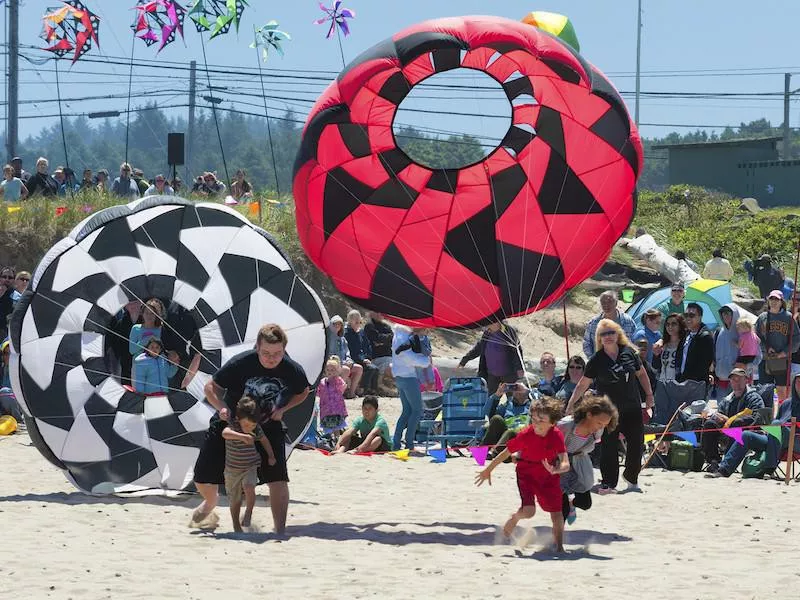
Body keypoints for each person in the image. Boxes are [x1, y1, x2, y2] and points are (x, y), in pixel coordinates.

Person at [191, 324, 311, 534]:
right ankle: (210, 504)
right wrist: (222, 408)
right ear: (257, 347)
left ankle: (280, 530)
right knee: (202, 475)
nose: (271, 359)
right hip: (231, 421)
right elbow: (210, 387)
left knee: (278, 477)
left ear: (284, 349)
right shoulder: (241, 363)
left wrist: (284, 408)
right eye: (266, 353)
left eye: (277, 354)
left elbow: (304, 392)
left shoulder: (292, 369)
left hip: (267, 424)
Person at [567, 319, 654, 494]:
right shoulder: (596, 360)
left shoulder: (629, 353)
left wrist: (649, 395)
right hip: (607, 412)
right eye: (603, 334)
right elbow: (583, 384)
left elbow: (642, 374)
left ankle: (631, 478)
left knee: (636, 443)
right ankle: (608, 481)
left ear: (618, 334)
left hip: (632, 407)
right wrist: (571, 403)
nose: (608, 337)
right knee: (609, 446)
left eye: (611, 332)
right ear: (599, 338)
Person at [474, 397, 569, 552]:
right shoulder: (526, 434)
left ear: (552, 423)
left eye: (541, 420)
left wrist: (557, 469)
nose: (536, 423)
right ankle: (515, 518)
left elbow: (565, 462)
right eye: (534, 418)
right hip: (526, 473)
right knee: (529, 512)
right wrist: (488, 470)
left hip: (549, 475)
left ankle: (559, 547)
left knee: (557, 514)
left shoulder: (556, 435)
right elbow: (505, 453)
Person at [707, 373, 800, 479]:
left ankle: (769, 469)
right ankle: (724, 470)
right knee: (746, 435)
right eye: (798, 382)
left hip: (796, 440)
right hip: (774, 440)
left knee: (776, 424)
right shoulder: (787, 403)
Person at [557, 393, 618, 525]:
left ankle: (571, 503)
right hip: (559, 461)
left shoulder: (598, 430)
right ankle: (557, 539)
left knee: (585, 504)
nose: (601, 427)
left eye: (605, 424)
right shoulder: (566, 425)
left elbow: (590, 446)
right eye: (599, 423)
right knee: (562, 507)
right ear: (589, 414)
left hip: (579, 460)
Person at [221, 397, 276, 532]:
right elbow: (225, 433)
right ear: (239, 419)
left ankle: (248, 512)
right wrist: (241, 436)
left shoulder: (255, 428)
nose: (249, 428)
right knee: (235, 499)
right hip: (232, 468)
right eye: (246, 425)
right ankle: (236, 525)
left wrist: (271, 456)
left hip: (250, 465)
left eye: (252, 425)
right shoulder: (233, 424)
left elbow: (264, 440)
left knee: (249, 487)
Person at [701, 368, 765, 471]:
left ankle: (727, 462)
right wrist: (717, 417)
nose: (736, 382)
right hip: (726, 431)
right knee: (710, 424)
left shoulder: (754, 398)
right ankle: (713, 461)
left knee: (737, 423)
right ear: (730, 382)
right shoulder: (727, 399)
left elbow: (757, 417)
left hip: (748, 433)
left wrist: (731, 420)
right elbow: (720, 413)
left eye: (739, 379)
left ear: (746, 380)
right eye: (733, 379)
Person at [391, 324, 430, 452]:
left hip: (399, 377)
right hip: (408, 377)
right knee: (417, 410)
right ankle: (409, 444)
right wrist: (426, 361)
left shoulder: (398, 335)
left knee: (407, 411)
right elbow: (409, 358)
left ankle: (396, 444)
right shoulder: (403, 337)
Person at [756, 290, 800, 403]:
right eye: (771, 299)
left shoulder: (788, 317)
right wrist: (766, 348)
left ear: (782, 302)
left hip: (783, 360)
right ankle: (767, 416)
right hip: (766, 360)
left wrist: (785, 352)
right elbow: (756, 337)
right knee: (765, 390)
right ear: (768, 300)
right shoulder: (762, 318)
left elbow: (796, 338)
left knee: (782, 390)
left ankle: (782, 415)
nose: (774, 302)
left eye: (777, 299)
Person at [458, 321, 525, 394]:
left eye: (488, 323)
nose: (486, 326)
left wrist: (520, 368)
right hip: (492, 375)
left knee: (511, 399)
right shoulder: (487, 333)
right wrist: (464, 360)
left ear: (496, 322)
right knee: (492, 399)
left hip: (509, 375)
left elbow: (517, 350)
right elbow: (478, 348)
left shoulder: (508, 331)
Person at [481, 381, 534, 455]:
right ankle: (481, 451)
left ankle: (494, 452)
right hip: (505, 438)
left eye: (519, 389)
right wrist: (497, 395)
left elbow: (543, 406)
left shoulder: (532, 405)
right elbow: (487, 412)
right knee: (497, 418)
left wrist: (528, 391)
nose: (517, 392)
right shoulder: (508, 404)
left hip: (523, 438)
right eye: (515, 389)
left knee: (510, 432)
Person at [583, 291, 637, 357]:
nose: (606, 305)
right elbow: (586, 343)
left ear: (616, 303)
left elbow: (635, 341)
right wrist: (593, 360)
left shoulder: (627, 321)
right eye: (603, 302)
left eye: (610, 302)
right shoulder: (594, 323)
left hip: (624, 362)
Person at [675, 302, 715, 385]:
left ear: (700, 317)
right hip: (681, 381)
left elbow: (703, 366)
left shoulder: (705, 337)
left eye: (692, 315)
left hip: (695, 385)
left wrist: (688, 382)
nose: (688, 318)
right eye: (686, 315)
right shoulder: (687, 333)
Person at [344, 310, 379, 394]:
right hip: (354, 358)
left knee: (376, 369)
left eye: (358, 319)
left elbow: (367, 346)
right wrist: (362, 359)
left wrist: (367, 358)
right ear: (349, 320)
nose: (357, 321)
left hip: (363, 358)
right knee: (371, 368)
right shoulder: (347, 333)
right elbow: (352, 350)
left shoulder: (361, 332)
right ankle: (362, 389)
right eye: (354, 318)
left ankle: (373, 391)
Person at [714, 304, 742, 394]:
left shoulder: (743, 332)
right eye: (723, 313)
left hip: (739, 379)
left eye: (728, 313)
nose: (725, 315)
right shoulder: (718, 332)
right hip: (721, 379)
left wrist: (743, 364)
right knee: (722, 406)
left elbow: (756, 356)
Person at [317, 359, 348, 440]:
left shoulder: (338, 380)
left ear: (337, 371)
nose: (330, 372)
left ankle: (337, 439)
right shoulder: (322, 382)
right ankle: (329, 440)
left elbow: (342, 388)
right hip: (326, 409)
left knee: (337, 427)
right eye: (328, 370)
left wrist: (336, 379)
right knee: (327, 428)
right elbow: (318, 393)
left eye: (333, 370)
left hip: (336, 409)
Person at [363, 312, 394, 385]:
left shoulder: (387, 326)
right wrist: (386, 340)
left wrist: (383, 341)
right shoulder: (369, 326)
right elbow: (376, 338)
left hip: (389, 356)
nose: (379, 315)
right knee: (393, 369)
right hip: (377, 357)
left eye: (381, 313)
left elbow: (392, 338)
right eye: (377, 313)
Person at [0, 268, 16, 341]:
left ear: (14, 280)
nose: (7, 279)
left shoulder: (17, 298)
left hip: (7, 335)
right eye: (4, 277)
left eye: (10, 277)